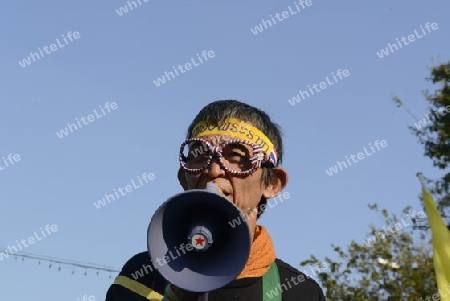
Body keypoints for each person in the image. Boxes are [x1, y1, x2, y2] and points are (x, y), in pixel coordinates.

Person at [105, 100, 326, 300]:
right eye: (199, 155)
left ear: (271, 184)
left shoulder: (298, 292)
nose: (213, 170)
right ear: (185, 178)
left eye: (236, 156)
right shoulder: (141, 277)